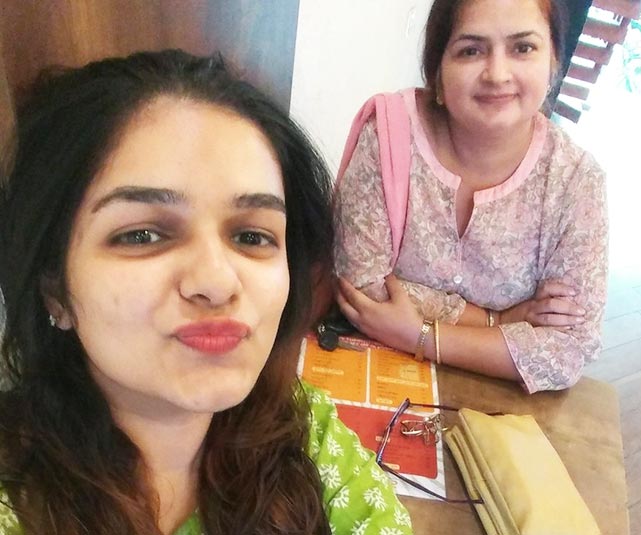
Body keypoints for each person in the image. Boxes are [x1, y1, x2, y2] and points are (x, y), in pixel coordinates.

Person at [0, 50, 412, 535]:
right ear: (54, 288)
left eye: (252, 236)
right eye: (142, 235)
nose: (217, 282)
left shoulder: (307, 436)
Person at [334, 0, 608, 393]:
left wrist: (420, 335)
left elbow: (567, 351)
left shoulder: (576, 182)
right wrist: (497, 321)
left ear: (553, 61)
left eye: (523, 48)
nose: (497, 74)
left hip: (504, 403)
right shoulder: (389, 135)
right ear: (438, 71)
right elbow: (360, 289)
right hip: (372, 377)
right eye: (471, 50)